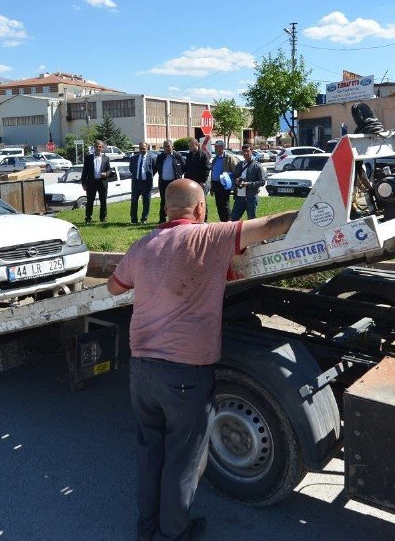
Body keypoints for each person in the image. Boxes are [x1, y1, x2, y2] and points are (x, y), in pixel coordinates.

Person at [106, 179, 298, 541]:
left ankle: (146, 530)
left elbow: (113, 288)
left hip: (142, 370)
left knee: (150, 453)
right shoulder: (211, 237)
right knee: (183, 459)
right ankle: (173, 533)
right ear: (199, 209)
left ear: (165, 209)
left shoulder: (144, 244)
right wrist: (315, 210)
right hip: (184, 375)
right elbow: (272, 226)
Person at [82, 140, 114, 223]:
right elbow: (84, 171)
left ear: (102, 148)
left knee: (103, 201)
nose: (98, 148)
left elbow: (110, 170)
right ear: (94, 147)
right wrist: (83, 183)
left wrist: (106, 174)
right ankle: (88, 218)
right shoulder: (88, 158)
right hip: (91, 183)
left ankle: (103, 218)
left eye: (100, 147)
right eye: (97, 146)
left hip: (102, 182)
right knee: (90, 201)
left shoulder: (106, 158)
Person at [230, 144, 265, 220]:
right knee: (233, 220)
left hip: (251, 197)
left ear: (251, 151)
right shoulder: (239, 164)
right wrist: (236, 181)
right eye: (243, 151)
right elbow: (234, 177)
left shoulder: (257, 166)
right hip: (239, 197)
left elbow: (262, 181)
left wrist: (248, 184)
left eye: (247, 151)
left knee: (251, 220)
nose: (245, 153)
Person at [154, 140, 185, 224]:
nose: (167, 148)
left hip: (174, 183)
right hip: (163, 182)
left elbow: (183, 167)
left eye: (168, 146)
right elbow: (155, 168)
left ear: (172, 147)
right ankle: (162, 219)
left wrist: (178, 176)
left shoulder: (178, 156)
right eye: (165, 146)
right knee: (163, 201)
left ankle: (176, 219)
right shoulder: (160, 157)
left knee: (175, 200)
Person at [208, 140, 238, 222]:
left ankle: (228, 222)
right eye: (215, 146)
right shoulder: (215, 158)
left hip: (225, 184)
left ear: (222, 147)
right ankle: (222, 222)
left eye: (217, 146)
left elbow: (235, 171)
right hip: (216, 184)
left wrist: (233, 183)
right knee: (219, 204)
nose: (215, 148)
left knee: (225, 204)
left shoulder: (229, 157)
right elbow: (213, 172)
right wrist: (212, 187)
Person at [129, 142, 156, 224]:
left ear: (147, 148)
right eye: (140, 148)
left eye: (144, 148)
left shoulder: (152, 157)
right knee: (134, 201)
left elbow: (154, 169)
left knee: (146, 202)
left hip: (146, 183)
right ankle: (134, 219)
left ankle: (144, 219)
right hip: (136, 182)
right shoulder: (134, 158)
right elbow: (131, 169)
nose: (142, 150)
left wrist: (149, 176)